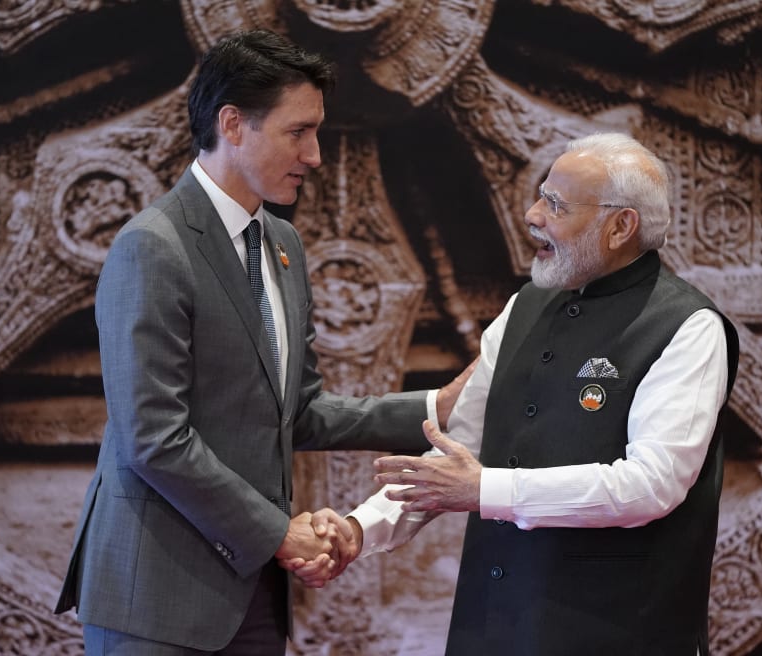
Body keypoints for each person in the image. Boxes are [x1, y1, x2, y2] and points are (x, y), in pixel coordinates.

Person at [54, 29, 468, 655]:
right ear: (233, 124)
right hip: (157, 601)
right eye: (298, 132)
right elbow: (152, 438)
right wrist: (279, 534)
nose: (316, 155)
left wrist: (432, 408)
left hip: (252, 598)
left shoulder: (282, 245)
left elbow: (295, 410)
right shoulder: (153, 246)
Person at [299, 133, 740, 655]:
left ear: (621, 226)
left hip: (616, 633)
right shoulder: (524, 307)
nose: (532, 215)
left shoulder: (687, 327)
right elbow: (456, 454)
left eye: (556, 205)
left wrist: (487, 490)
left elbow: (652, 484)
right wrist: (357, 530)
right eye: (540, 196)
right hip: (493, 626)